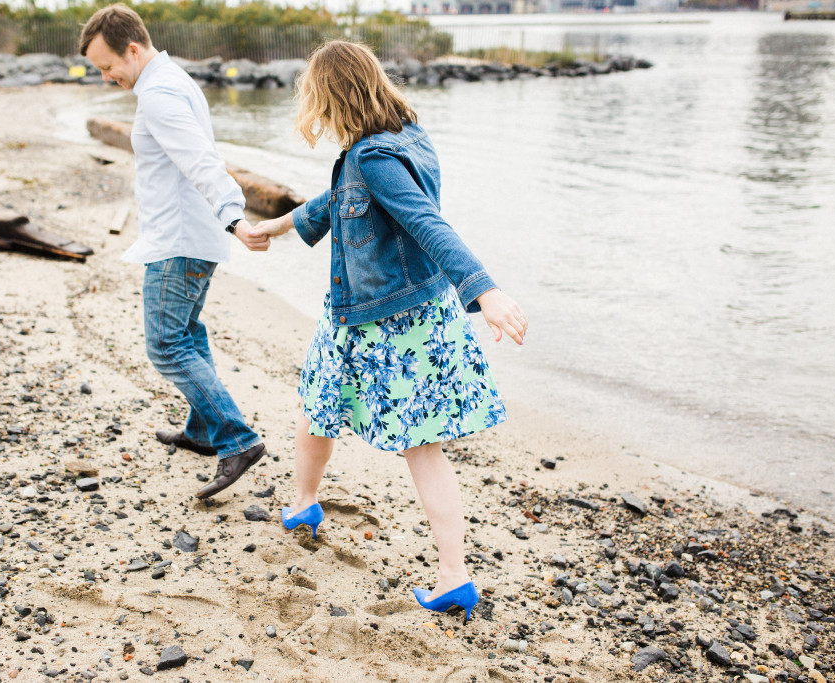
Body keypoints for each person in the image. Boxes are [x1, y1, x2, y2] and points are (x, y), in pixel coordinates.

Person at [251, 40, 527, 624]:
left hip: (384, 321)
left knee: (331, 407)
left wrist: (486, 289)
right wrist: (276, 226)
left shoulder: (373, 156)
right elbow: (337, 200)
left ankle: (438, 569)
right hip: (398, 315)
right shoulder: (405, 137)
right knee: (344, 411)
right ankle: (308, 506)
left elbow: (426, 222)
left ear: (331, 96)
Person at [79, 4, 269, 499]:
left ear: (133, 49)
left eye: (107, 66)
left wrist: (234, 217)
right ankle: (203, 432)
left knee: (165, 345)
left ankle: (237, 439)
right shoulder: (172, 81)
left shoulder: (159, 94)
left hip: (180, 241)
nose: (105, 78)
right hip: (189, 237)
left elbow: (202, 161)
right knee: (186, 331)